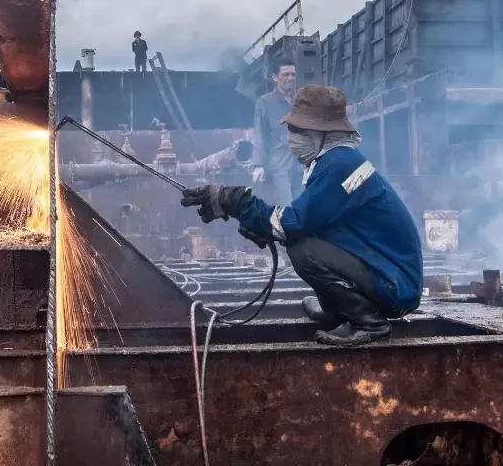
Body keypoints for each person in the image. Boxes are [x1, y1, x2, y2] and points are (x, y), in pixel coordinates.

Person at [180, 85, 423, 346]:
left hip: (394, 286)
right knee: (302, 239)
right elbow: (313, 220)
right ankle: (337, 311)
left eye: (297, 131)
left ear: (321, 133)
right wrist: (252, 219)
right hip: (389, 275)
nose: (290, 139)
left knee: (301, 249)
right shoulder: (336, 161)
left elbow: (292, 224)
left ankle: (368, 322)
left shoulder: (341, 164)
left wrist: (237, 202)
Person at [252, 60, 297, 205]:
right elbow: (260, 134)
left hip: (301, 165)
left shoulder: (300, 102)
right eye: (285, 74)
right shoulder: (264, 103)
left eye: (293, 74)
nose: (290, 78)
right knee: (288, 208)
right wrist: (258, 165)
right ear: (275, 77)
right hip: (280, 167)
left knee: (305, 208)